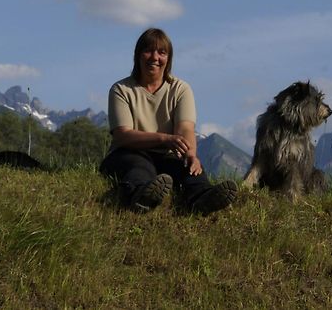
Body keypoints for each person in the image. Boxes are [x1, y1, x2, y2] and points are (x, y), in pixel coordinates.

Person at [100, 28, 238, 214]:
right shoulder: (121, 90)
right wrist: (164, 139)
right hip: (127, 153)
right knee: (140, 167)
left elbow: (185, 128)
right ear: (138, 55)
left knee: (190, 170)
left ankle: (202, 198)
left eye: (161, 52)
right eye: (148, 51)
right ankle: (140, 196)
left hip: (168, 155)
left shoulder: (181, 89)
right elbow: (122, 136)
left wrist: (191, 154)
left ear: (169, 59)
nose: (154, 57)